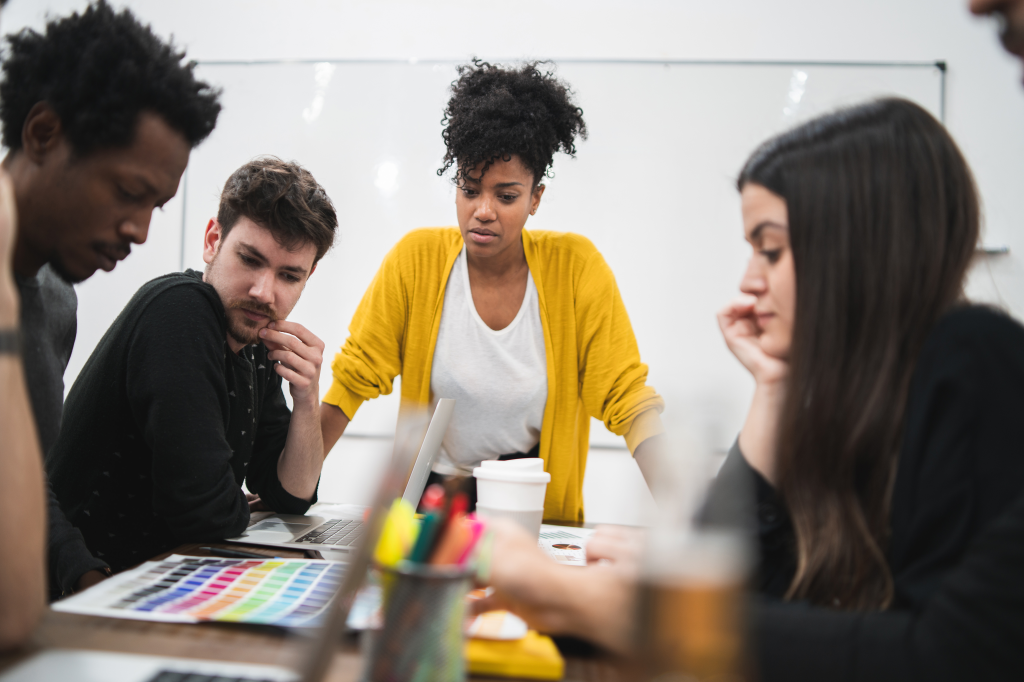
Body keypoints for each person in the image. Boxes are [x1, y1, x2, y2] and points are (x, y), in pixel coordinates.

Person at [481, 94, 1024, 680]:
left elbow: (950, 656)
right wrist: (772, 387)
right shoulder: (855, 406)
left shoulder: (971, 353)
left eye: (770, 250)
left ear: (859, 246)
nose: (748, 281)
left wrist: (622, 606)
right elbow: (754, 585)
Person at [320, 60, 664, 521]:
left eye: (506, 196)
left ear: (535, 198)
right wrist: (290, 485)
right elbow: (353, 379)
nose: (483, 211)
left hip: (529, 508)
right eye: (469, 189)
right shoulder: (415, 260)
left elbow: (626, 396)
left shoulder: (577, 269)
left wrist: (690, 515)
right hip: (433, 505)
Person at [0, 1, 220, 598]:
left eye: (157, 207)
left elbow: (20, 480)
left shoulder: (55, 300)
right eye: (128, 192)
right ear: (43, 134)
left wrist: (83, 575)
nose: (141, 231)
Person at [46, 157, 336, 575]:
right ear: (213, 240)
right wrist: (235, 506)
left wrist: (307, 400)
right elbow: (203, 513)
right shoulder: (182, 310)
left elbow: (291, 495)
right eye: (250, 260)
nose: (263, 292)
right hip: (83, 583)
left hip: (154, 577)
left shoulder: (256, 341)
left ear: (308, 276)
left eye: (289, 276)